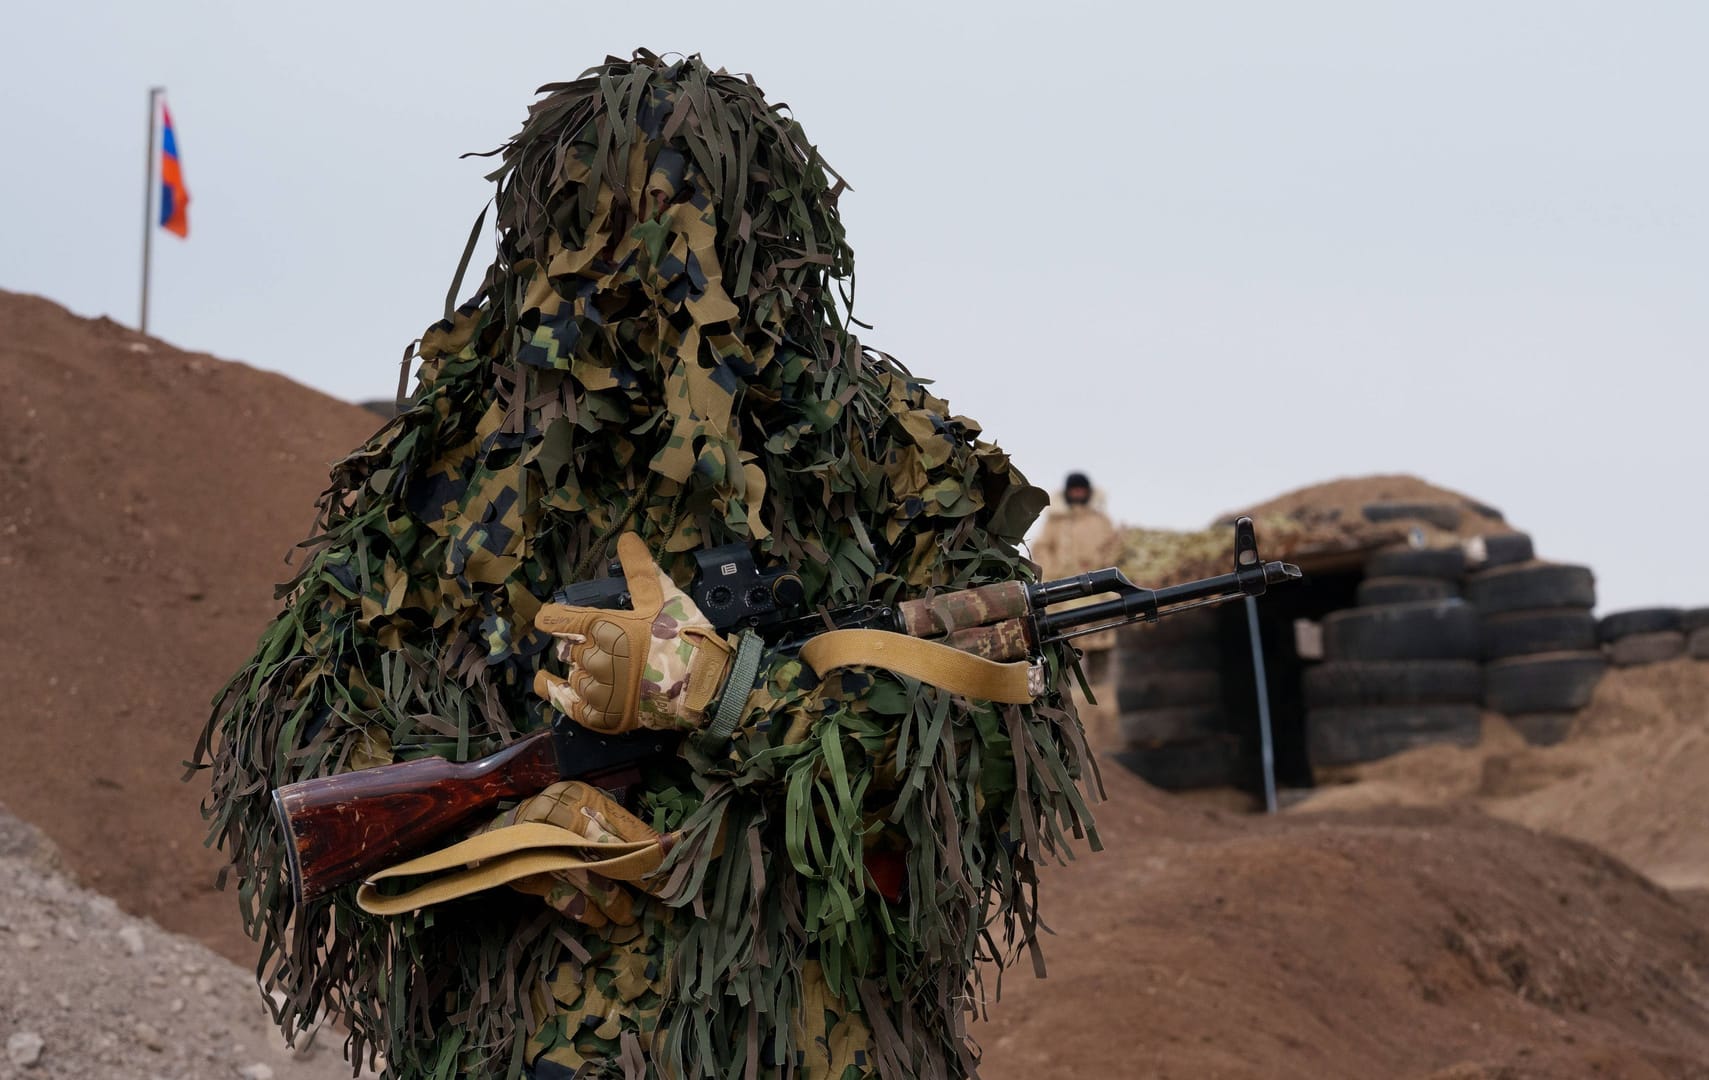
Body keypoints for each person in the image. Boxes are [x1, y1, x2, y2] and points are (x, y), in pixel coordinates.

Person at [197, 50, 1097, 1080]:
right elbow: (301, 748)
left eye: (698, 230)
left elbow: (973, 783)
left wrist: (733, 698)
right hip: (525, 1039)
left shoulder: (888, 467)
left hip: (809, 1041)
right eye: (612, 230)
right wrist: (518, 827)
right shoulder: (451, 471)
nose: (665, 275)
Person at [1029, 471, 1125, 674]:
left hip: (1097, 593)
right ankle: (1068, 700)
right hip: (1064, 593)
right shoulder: (1055, 522)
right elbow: (1042, 549)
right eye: (1074, 490)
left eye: (1082, 490)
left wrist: (1102, 569)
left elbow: (1113, 549)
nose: (1078, 493)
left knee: (1101, 653)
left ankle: (1102, 701)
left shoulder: (1100, 520)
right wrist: (1055, 574)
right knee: (1064, 650)